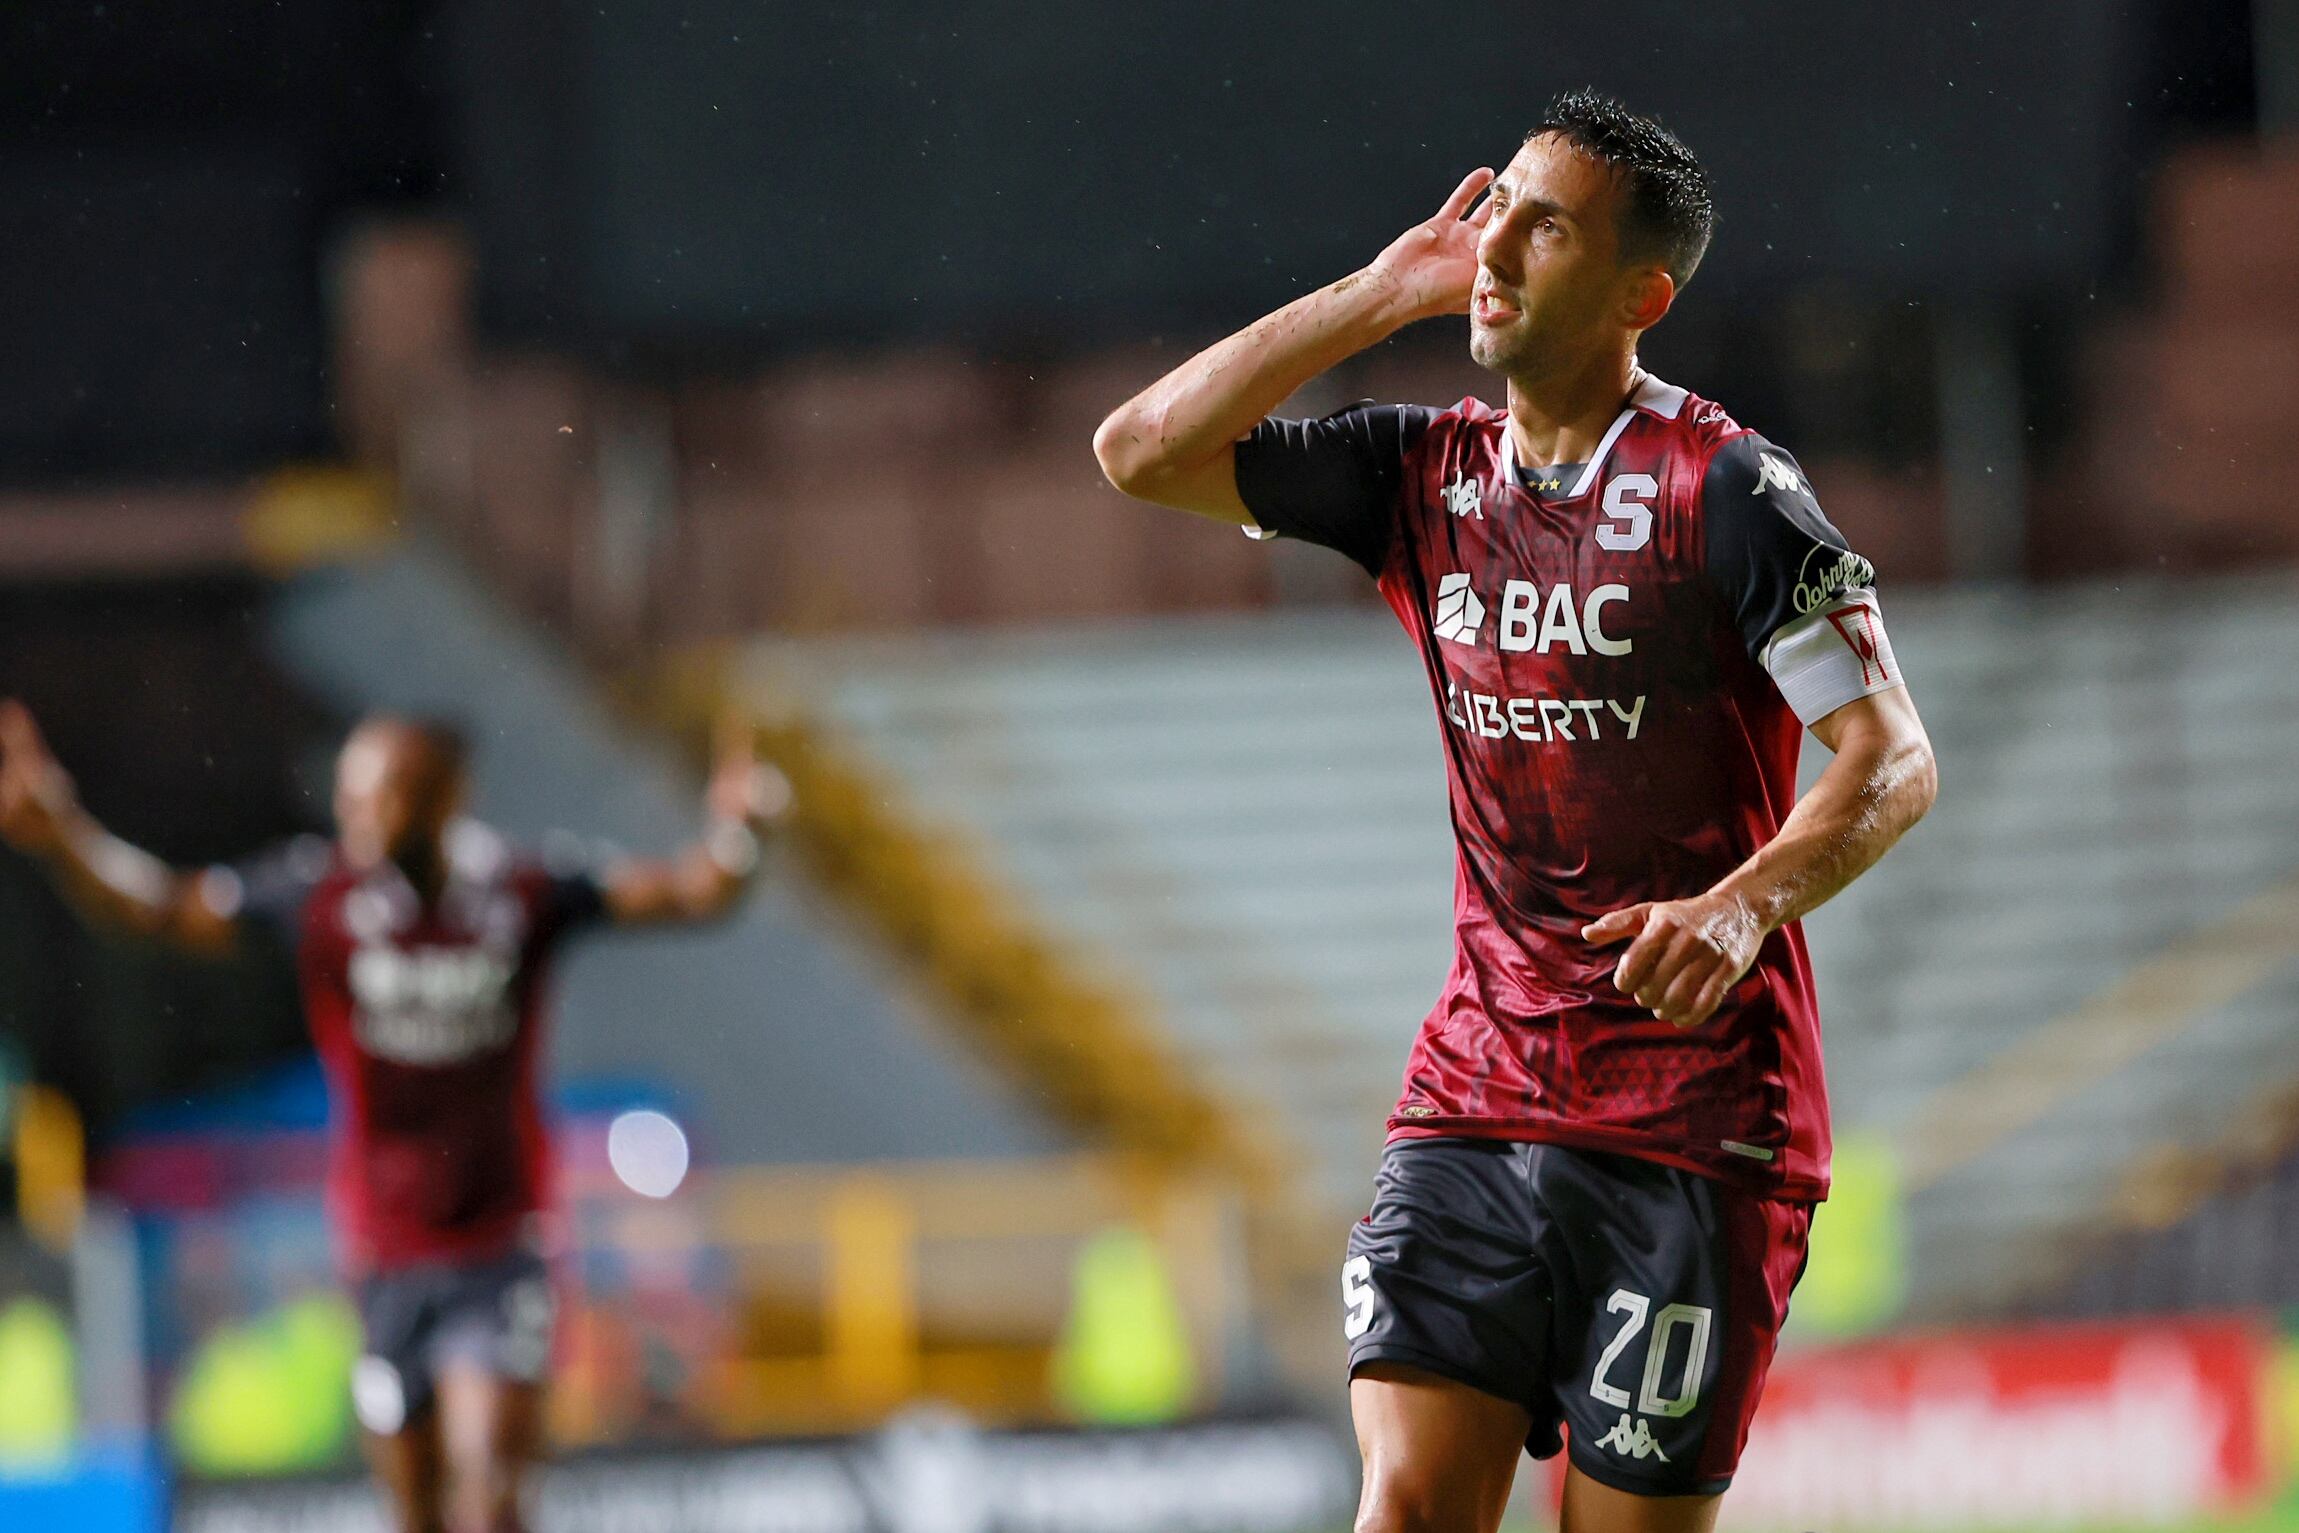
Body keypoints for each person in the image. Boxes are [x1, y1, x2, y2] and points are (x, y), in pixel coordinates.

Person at [1093, 89, 1938, 1533]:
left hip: (1691, 1125)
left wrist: (1739, 905)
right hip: (1473, 1094)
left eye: (1544, 227)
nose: (1495, 246)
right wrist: (1376, 293)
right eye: (1498, 211)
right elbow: (1137, 449)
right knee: (1405, 1511)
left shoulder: (1728, 489)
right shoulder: (1418, 471)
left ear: (1637, 293)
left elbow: (1891, 755)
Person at [0, 701, 789, 1533]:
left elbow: (692, 890)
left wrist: (742, 837)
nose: (356, 816)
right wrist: (63, 834)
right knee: (413, 1510)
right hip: (385, 1256)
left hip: (499, 1248)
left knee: (490, 1488)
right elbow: (160, 906)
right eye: (349, 796)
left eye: (381, 797)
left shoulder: (520, 894)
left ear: (444, 799)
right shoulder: (320, 895)